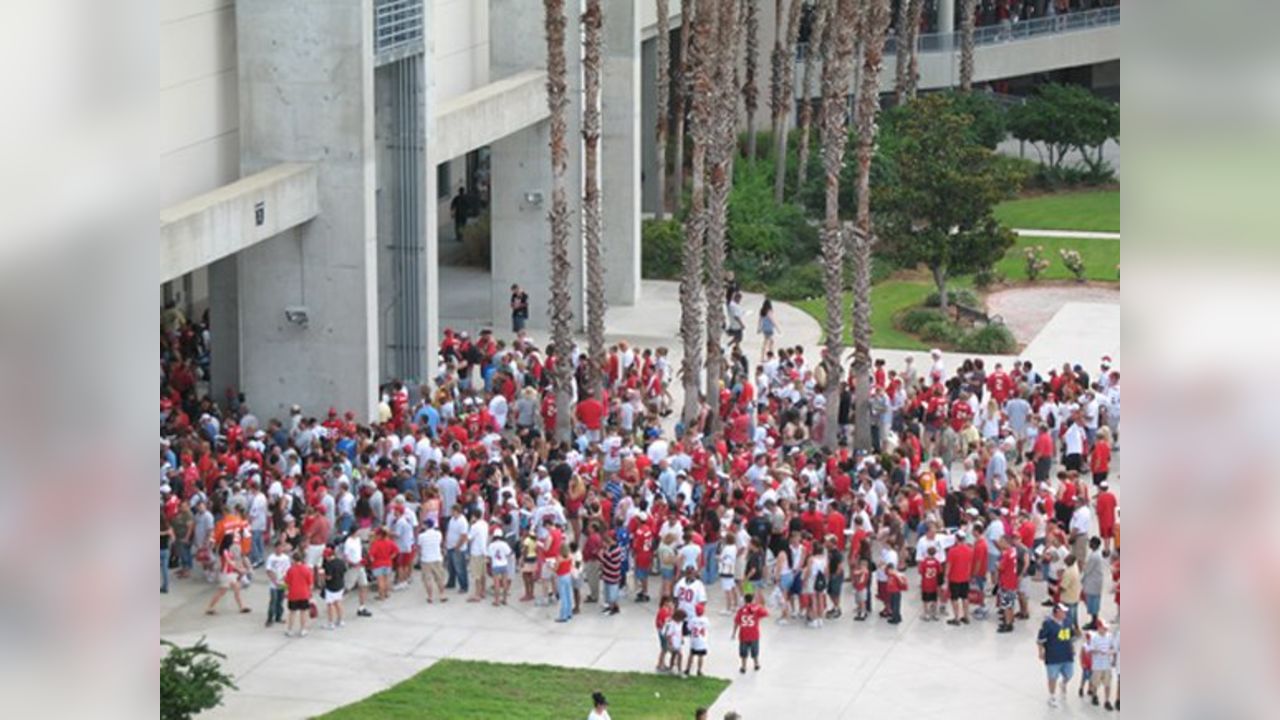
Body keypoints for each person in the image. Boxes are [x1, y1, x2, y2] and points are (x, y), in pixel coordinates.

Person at [1038, 603, 1077, 708]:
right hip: (1053, 655)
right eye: (1063, 611)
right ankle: (1052, 696)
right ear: (1056, 612)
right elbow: (1041, 639)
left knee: (1069, 674)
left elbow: (1071, 637)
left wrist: (1072, 648)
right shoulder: (1047, 624)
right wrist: (1041, 652)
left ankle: (1063, 683)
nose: (1065, 613)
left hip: (1066, 654)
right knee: (1052, 677)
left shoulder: (1068, 622)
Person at [204, 534, 250, 615]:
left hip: (230, 574)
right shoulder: (225, 551)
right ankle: (210, 607)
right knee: (222, 592)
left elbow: (233, 562)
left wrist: (239, 567)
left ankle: (242, 607)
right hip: (226, 575)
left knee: (236, 589)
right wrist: (239, 569)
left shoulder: (227, 551)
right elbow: (230, 562)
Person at [732, 592, 769, 673]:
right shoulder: (756, 609)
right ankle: (756, 664)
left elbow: (736, 622)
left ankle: (743, 666)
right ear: (752, 600)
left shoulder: (741, 610)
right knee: (755, 651)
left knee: (743, 652)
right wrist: (760, 605)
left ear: (745, 600)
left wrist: (734, 633)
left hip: (743, 635)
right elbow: (766, 613)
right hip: (754, 634)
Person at [283, 552, 314, 638]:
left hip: (293, 594)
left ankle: (290, 630)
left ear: (294, 560)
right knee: (303, 612)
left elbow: (287, 583)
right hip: (304, 594)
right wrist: (310, 593)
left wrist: (286, 592)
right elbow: (310, 584)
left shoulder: (290, 570)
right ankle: (303, 629)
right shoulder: (307, 569)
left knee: (292, 612)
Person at [319, 543, 347, 630]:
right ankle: (340, 620)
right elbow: (344, 570)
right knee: (338, 603)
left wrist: (322, 575)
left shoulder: (329, 564)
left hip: (331, 587)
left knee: (330, 605)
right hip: (340, 585)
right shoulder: (340, 562)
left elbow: (329, 577)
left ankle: (331, 623)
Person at [264, 539, 291, 627]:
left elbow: (288, 570)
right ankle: (270, 618)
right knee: (273, 600)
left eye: (281, 548)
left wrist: (286, 581)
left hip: (283, 583)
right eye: (278, 548)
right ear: (275, 548)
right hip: (274, 583)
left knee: (280, 600)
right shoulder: (271, 558)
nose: (280, 549)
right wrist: (274, 581)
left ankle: (278, 617)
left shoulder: (285, 558)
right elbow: (268, 570)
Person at [487, 526, 514, 606]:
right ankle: (505, 600)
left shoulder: (491, 545)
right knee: (504, 582)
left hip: (495, 565)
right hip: (504, 564)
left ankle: (497, 601)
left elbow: (489, 556)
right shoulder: (504, 544)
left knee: (496, 583)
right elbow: (509, 553)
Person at [685, 605, 710, 676]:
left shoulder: (693, 620)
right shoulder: (705, 620)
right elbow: (707, 627)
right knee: (701, 656)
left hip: (694, 640)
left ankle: (687, 669)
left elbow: (689, 628)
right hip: (702, 641)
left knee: (691, 655)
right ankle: (699, 670)